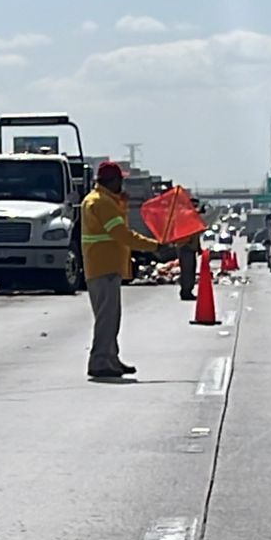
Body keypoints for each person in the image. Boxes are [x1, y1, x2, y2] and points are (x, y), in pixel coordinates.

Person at [81, 160, 165, 378]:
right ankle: (100, 360)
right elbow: (122, 235)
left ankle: (111, 358)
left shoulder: (100, 200)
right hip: (104, 266)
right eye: (120, 180)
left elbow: (118, 230)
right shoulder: (102, 203)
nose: (123, 184)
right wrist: (154, 246)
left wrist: (122, 204)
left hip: (102, 265)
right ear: (112, 181)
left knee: (111, 316)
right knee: (107, 317)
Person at [177, 198, 203, 301]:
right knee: (187, 271)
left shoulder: (192, 216)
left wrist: (198, 248)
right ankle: (185, 291)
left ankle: (188, 290)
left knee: (191, 271)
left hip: (191, 248)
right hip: (185, 247)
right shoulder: (185, 215)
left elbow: (196, 235)